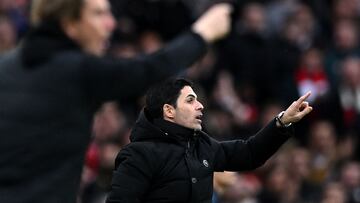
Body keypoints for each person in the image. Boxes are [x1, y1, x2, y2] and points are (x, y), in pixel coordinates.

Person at [0, 0, 232, 202]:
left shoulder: (6, 67)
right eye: (98, 13)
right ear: (69, 23)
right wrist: (202, 33)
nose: (111, 23)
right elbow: (150, 69)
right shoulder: (79, 71)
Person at [106, 78, 313, 203]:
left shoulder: (202, 145)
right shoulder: (139, 154)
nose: (200, 105)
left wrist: (281, 122)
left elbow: (250, 154)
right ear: (169, 110)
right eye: (190, 100)